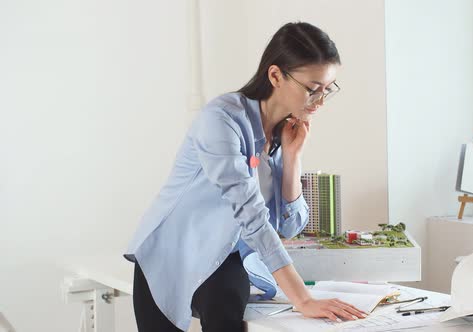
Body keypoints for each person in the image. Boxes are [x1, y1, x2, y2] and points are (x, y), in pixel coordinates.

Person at [124, 21, 366, 332]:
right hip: (173, 252)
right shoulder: (221, 120)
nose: (320, 101)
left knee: (226, 302)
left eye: (327, 89)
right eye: (312, 88)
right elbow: (250, 213)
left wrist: (292, 160)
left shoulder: (284, 133)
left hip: (224, 258)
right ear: (276, 75)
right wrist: (302, 299)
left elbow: (290, 226)